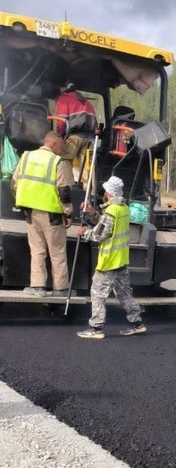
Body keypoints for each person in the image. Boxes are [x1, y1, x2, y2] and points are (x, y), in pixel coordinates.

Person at [75, 175, 146, 340]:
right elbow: (106, 225)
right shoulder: (124, 208)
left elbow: (100, 234)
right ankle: (137, 324)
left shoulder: (111, 211)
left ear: (108, 192)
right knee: (124, 293)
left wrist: (84, 232)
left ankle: (96, 327)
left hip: (109, 260)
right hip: (121, 259)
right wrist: (93, 213)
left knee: (97, 293)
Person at [12, 131, 73, 297]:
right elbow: (64, 191)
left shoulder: (26, 157)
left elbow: (14, 183)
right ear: (53, 144)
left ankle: (38, 287)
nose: (62, 149)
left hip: (30, 211)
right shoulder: (56, 161)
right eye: (61, 146)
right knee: (57, 251)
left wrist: (23, 200)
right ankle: (60, 289)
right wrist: (67, 213)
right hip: (52, 214)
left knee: (37, 250)